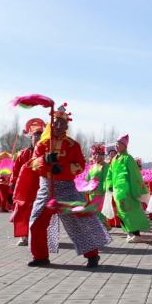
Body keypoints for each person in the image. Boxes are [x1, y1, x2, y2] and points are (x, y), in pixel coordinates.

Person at [27, 104, 111, 268]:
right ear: (51, 124)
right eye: (55, 123)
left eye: (62, 123)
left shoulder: (73, 145)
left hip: (66, 187)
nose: (58, 126)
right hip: (46, 188)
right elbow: (32, 164)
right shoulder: (42, 145)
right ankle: (40, 256)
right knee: (36, 222)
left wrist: (63, 169)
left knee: (81, 221)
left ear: (66, 126)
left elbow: (79, 165)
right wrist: (45, 161)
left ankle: (92, 255)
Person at [105, 134, 150, 242]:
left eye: (119, 144)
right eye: (116, 143)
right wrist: (110, 185)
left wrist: (135, 190)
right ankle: (129, 232)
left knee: (131, 211)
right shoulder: (114, 159)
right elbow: (109, 174)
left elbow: (135, 175)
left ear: (125, 146)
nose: (116, 146)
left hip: (128, 190)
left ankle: (136, 234)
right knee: (121, 212)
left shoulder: (128, 158)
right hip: (117, 190)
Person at [10, 118, 45, 246]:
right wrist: (13, 184)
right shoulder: (24, 154)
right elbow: (15, 171)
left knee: (40, 213)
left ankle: (39, 235)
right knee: (22, 212)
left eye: (40, 135)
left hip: (41, 188)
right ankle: (23, 236)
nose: (37, 138)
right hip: (24, 189)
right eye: (35, 135)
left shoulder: (46, 154)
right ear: (31, 137)